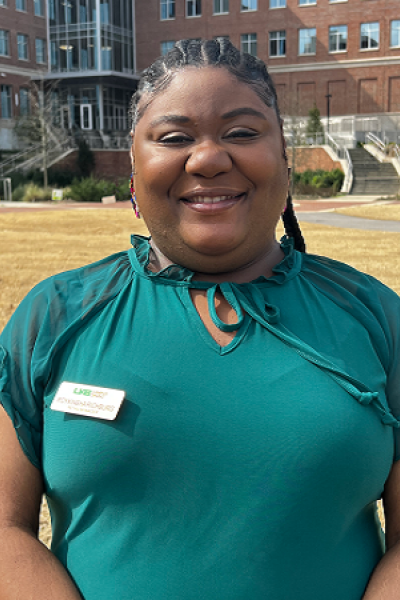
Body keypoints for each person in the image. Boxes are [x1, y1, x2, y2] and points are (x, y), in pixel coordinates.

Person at [0, 38, 400, 600]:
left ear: (284, 159)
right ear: (134, 167)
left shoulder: (377, 317)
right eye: (174, 138)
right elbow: (5, 527)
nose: (208, 159)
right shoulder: (54, 316)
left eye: (242, 133)